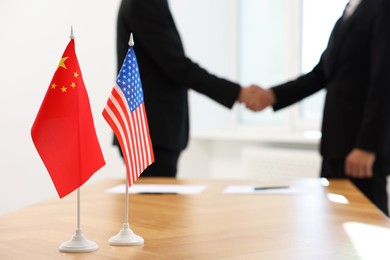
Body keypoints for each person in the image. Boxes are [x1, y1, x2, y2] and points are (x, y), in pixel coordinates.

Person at [258, 0, 390, 215]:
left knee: (369, 224)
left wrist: (368, 146)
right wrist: (272, 95)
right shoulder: (349, 11)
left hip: (360, 150)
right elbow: (322, 73)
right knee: (333, 224)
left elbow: (384, 81)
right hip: (335, 145)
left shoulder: (382, 7)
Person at [115, 0, 264, 178]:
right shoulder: (144, 3)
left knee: (157, 203)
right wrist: (237, 93)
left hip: (154, 132)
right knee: (155, 203)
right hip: (149, 133)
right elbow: (177, 66)